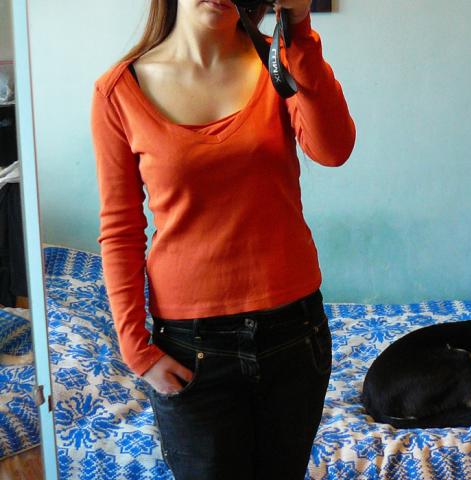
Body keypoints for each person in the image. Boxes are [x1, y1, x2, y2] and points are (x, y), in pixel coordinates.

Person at [90, 0, 355, 478]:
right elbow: (121, 229)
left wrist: (299, 29)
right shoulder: (119, 91)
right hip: (190, 347)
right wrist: (136, 349)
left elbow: (333, 149)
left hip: (294, 334)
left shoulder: (280, 62)